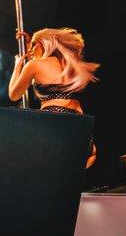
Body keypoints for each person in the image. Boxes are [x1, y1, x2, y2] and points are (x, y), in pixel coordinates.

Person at [9, 28, 100, 168]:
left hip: (54, 121)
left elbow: (14, 95)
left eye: (34, 45)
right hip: (80, 125)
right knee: (84, 160)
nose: (30, 50)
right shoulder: (69, 65)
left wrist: (17, 66)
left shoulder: (34, 65)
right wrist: (29, 44)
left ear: (46, 43)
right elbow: (43, 62)